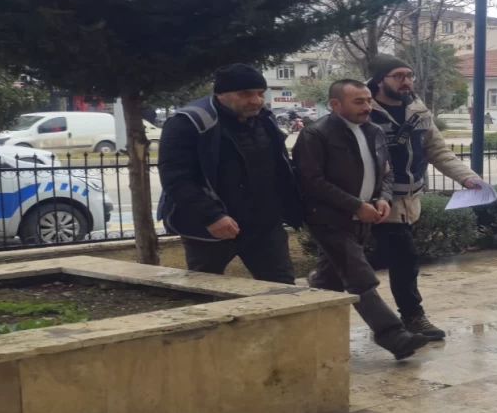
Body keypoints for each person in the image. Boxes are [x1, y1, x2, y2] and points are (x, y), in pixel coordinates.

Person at [293, 79, 430, 360]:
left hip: (364, 217)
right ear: (335, 104)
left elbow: (387, 173)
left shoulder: (374, 131)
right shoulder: (315, 134)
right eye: (359, 101)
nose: (367, 106)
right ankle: (393, 336)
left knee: (330, 278)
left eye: (368, 100)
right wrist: (356, 205)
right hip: (328, 218)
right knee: (359, 275)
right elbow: (311, 181)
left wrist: (383, 198)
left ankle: (312, 334)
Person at [366, 55, 486, 341]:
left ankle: (405, 319)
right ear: (380, 80)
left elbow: (438, 151)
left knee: (399, 260)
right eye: (398, 76)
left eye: (409, 75)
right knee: (399, 258)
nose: (406, 81)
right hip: (369, 200)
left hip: (405, 201)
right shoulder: (363, 110)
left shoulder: (418, 112)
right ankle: (408, 318)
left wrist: (468, 178)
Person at [156, 64, 302, 284]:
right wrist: (211, 216)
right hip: (211, 228)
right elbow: (175, 177)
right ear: (221, 94)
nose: (256, 100)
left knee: (282, 288)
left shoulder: (266, 119)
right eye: (245, 94)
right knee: (205, 287)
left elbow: (280, 167)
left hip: (264, 224)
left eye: (260, 94)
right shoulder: (189, 122)